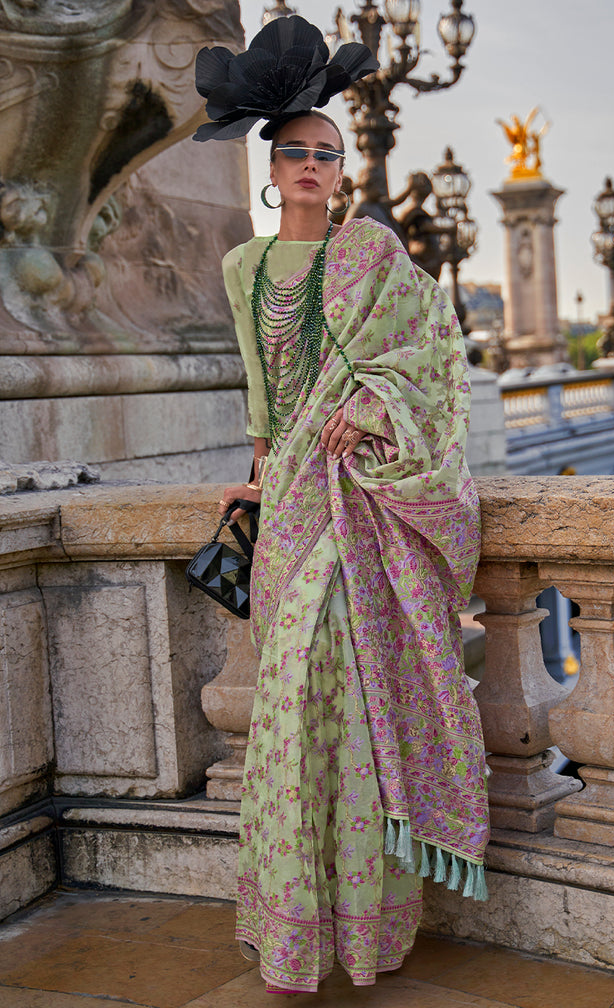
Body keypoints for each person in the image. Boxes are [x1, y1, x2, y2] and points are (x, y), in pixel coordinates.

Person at [193, 15, 490, 995]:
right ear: (271, 169)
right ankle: (292, 929)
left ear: (341, 168)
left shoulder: (370, 254)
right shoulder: (243, 269)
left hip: (355, 500)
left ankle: (365, 925)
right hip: (288, 502)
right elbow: (264, 394)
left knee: (349, 697)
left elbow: (430, 358)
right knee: (288, 708)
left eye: (328, 153)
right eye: (297, 153)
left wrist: (371, 403)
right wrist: (256, 474)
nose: (314, 166)